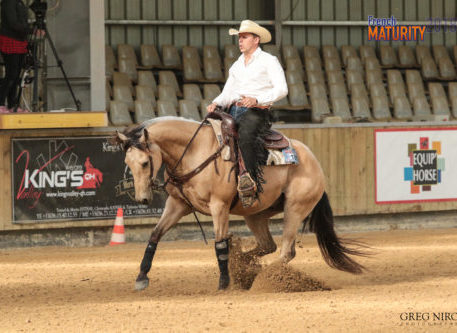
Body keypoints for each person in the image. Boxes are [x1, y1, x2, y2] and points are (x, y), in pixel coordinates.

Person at [207, 20, 287, 207]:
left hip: (257, 112)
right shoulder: (236, 65)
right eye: (239, 38)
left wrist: (257, 100)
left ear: (256, 40)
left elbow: (282, 89)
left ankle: (249, 184)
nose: (240, 41)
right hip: (233, 109)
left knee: (245, 136)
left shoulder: (269, 61)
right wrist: (216, 102)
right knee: (208, 130)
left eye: (244, 37)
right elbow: (228, 92)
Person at [0, 0, 32, 113]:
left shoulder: (19, 2)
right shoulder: (9, 2)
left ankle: (12, 104)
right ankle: (1, 103)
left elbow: (21, 21)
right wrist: (29, 30)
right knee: (11, 74)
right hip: (10, 39)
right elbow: (13, 22)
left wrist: (29, 29)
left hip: (20, 40)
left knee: (16, 74)